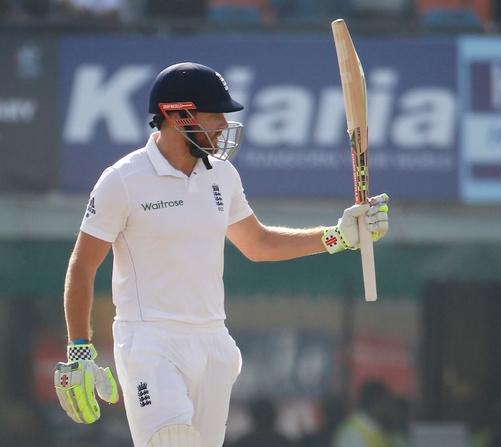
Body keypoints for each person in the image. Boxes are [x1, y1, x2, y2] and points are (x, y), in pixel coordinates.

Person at [52, 62, 390, 447]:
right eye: (214, 116)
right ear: (176, 115)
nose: (223, 127)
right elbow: (82, 264)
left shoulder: (222, 176)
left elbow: (257, 243)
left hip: (212, 341)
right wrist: (79, 347)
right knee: (173, 440)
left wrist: (337, 237)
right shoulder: (123, 180)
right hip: (150, 341)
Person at [334, 380, 395, 447]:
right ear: (376, 404)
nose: (390, 409)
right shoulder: (353, 432)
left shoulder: (381, 431)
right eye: (387, 403)